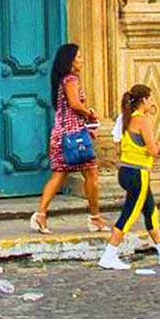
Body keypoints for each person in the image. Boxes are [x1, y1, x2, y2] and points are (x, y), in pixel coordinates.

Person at [98, 84, 160, 270]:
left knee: (150, 211)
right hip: (138, 173)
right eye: (151, 98)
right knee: (128, 216)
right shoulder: (143, 120)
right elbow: (153, 150)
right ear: (144, 100)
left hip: (126, 171)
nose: (152, 102)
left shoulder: (126, 118)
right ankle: (109, 255)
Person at [30, 44, 108, 234]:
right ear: (71, 60)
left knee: (59, 175)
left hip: (62, 134)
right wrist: (90, 113)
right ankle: (95, 218)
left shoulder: (62, 80)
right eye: (79, 57)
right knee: (91, 175)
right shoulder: (71, 79)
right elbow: (74, 104)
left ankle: (40, 215)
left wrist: (86, 126)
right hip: (73, 136)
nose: (81, 60)